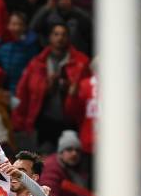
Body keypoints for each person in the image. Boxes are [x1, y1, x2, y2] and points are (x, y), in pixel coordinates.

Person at [13, 23, 89, 153]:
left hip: (71, 121)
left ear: (69, 38)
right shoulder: (37, 63)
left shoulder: (81, 62)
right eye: (56, 34)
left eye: (64, 34)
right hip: (44, 121)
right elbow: (23, 92)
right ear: (49, 37)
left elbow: (88, 93)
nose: (60, 38)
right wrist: (46, 87)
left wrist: (70, 89)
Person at [40, 130, 91, 196]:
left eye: (77, 150)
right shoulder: (51, 168)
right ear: (61, 152)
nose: (74, 153)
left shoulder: (75, 167)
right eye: (69, 149)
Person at [0, 11, 40, 94]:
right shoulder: (1, 43)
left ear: (25, 27)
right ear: (8, 25)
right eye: (13, 24)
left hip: (22, 91)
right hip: (1, 91)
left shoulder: (31, 46)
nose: (16, 28)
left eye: (20, 24)